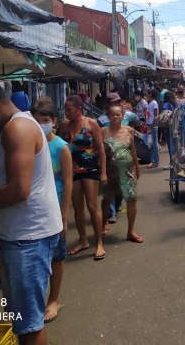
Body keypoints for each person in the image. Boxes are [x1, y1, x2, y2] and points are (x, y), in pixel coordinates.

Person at [0, 78, 62, 345]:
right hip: (22, 235)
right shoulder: (16, 126)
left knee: (28, 324)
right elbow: (5, 170)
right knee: (24, 318)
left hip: (27, 238)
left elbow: (18, 190)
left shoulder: (16, 129)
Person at [32, 98, 73, 324]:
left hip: (56, 209)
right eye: (36, 121)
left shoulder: (61, 147)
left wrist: (64, 215)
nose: (41, 125)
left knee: (57, 257)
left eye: (45, 120)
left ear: (54, 122)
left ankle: (54, 299)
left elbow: (68, 182)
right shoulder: (29, 144)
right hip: (36, 211)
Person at [59, 95, 107, 261]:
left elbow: (100, 149)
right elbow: (60, 146)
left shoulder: (91, 123)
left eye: (69, 110)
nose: (66, 113)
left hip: (90, 169)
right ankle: (83, 241)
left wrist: (103, 171)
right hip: (72, 172)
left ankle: (99, 242)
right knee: (78, 209)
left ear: (79, 109)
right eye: (65, 110)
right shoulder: (64, 125)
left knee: (92, 206)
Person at [100, 105, 144, 244]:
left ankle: (130, 231)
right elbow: (98, 152)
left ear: (123, 116)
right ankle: (103, 223)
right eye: (112, 114)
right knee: (107, 198)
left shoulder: (129, 130)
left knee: (131, 198)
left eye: (118, 114)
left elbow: (133, 150)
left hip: (127, 170)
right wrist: (101, 172)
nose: (115, 117)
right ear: (108, 116)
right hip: (109, 170)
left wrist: (137, 167)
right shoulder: (102, 131)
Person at [162, 91, 178, 169]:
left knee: (171, 146)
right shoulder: (175, 104)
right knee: (175, 146)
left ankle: (172, 163)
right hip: (176, 127)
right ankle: (175, 162)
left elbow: (164, 116)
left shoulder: (166, 105)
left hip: (169, 127)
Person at [145, 89, 160, 169]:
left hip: (152, 126)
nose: (146, 94)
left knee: (154, 144)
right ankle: (153, 160)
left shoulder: (154, 103)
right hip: (149, 125)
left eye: (147, 93)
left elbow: (156, 116)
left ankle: (155, 161)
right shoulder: (150, 103)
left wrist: (151, 127)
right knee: (150, 144)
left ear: (150, 94)